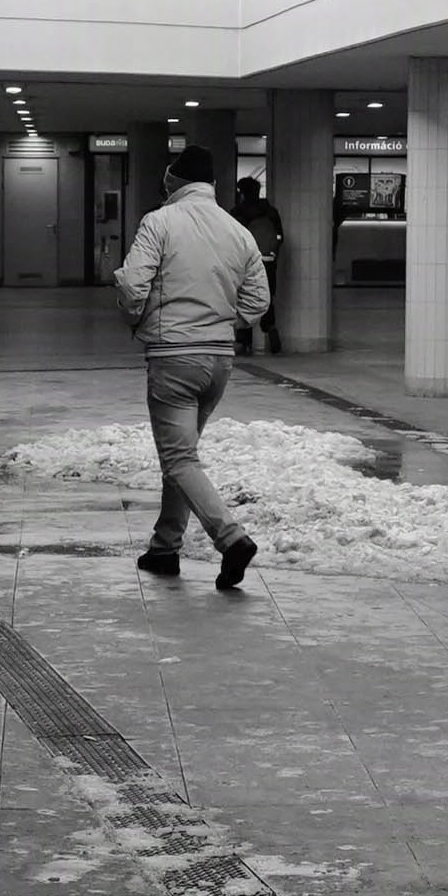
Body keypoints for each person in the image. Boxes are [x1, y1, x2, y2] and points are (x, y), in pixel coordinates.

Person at [113, 143, 267, 591]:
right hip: (219, 360)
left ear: (173, 182)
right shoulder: (238, 231)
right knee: (182, 457)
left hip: (174, 357)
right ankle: (164, 548)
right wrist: (222, 323)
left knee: (179, 457)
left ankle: (231, 538)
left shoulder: (158, 222)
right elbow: (259, 301)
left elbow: (134, 285)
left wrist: (131, 309)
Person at [231, 176, 286, 355]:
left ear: (242, 193)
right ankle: (271, 330)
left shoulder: (237, 213)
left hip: (245, 264)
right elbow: (280, 237)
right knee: (267, 297)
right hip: (268, 262)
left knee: (244, 298)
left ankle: (243, 341)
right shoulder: (271, 212)